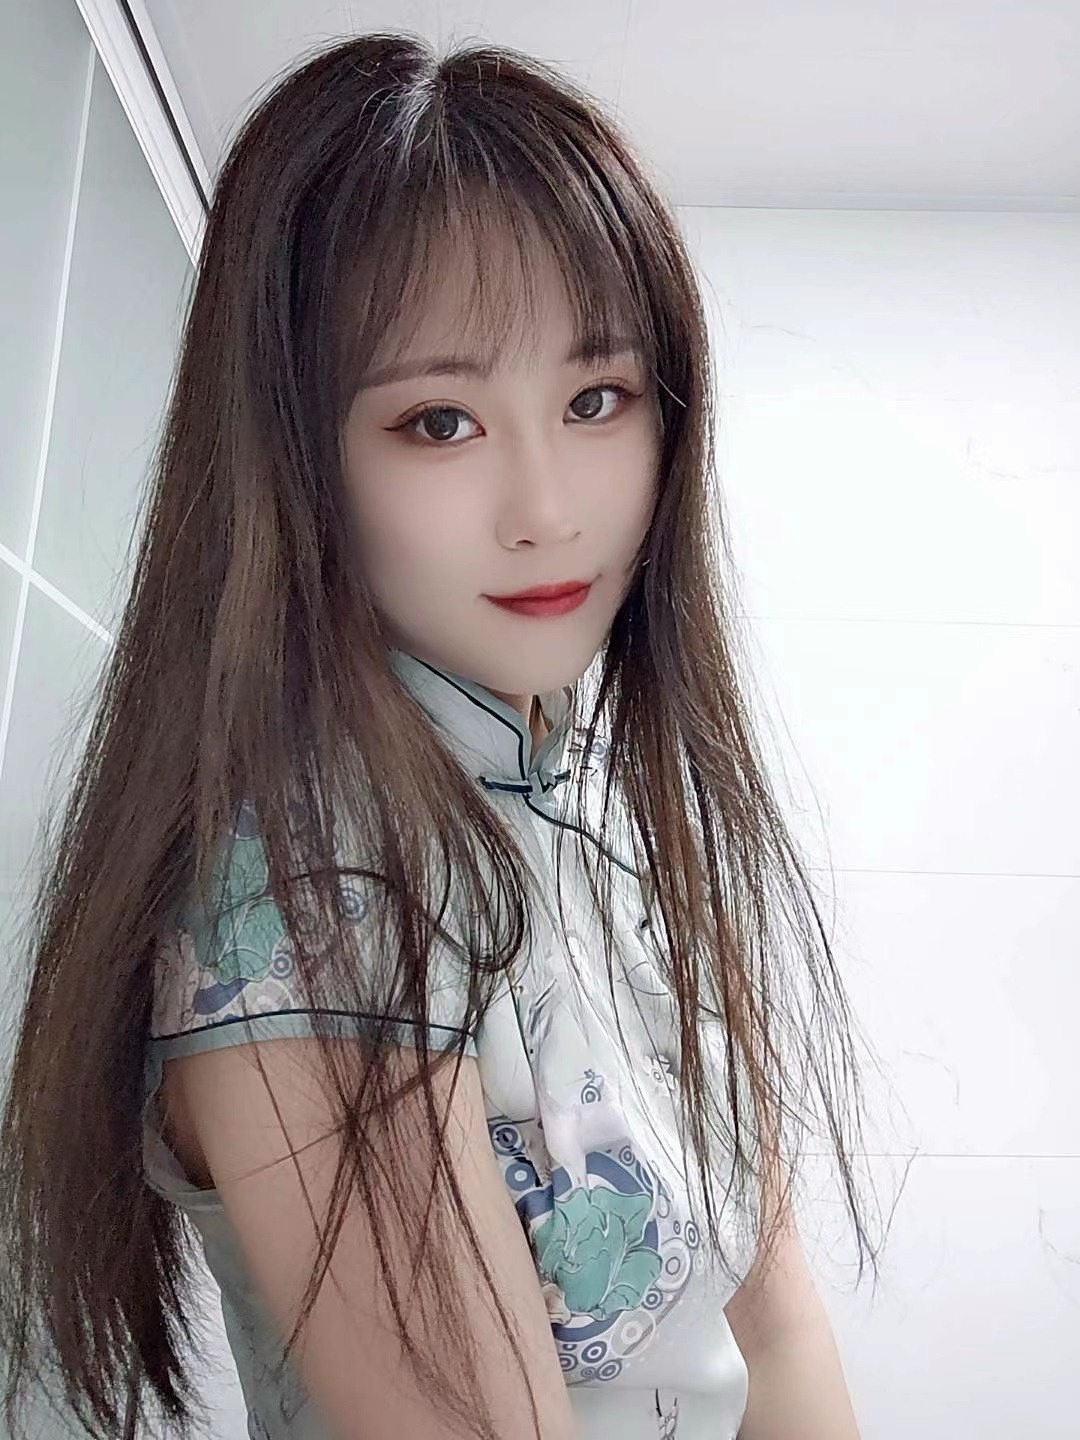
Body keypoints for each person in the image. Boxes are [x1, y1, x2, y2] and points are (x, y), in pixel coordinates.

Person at [0, 31, 880, 1440]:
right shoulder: (313, 896)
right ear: (297, 458)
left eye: (595, 400)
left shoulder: (601, 821)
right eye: (440, 422)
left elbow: (777, 1336)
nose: (548, 509)